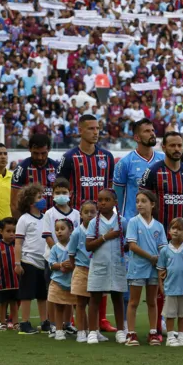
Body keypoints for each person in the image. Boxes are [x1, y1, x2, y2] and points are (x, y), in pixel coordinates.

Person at [138, 130, 183, 341]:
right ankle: (156, 329)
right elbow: (143, 201)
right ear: (164, 147)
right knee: (161, 283)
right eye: (172, 145)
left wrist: (182, 227)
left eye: (180, 145)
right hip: (160, 238)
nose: (177, 149)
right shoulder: (153, 172)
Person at [60, 115, 116, 332]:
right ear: (80, 130)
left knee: (101, 269)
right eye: (91, 128)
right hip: (79, 224)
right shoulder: (69, 158)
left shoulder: (107, 157)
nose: (96, 132)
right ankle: (75, 319)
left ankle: (101, 319)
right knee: (79, 270)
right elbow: (61, 188)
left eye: (98, 128)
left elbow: (110, 188)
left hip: (102, 223)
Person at [84, 187, 127, 345]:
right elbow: (88, 246)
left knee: (117, 297)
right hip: (99, 266)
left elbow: (127, 243)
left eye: (106, 200)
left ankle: (121, 331)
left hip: (117, 265)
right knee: (95, 298)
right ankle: (93, 331)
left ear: (115, 202)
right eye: (100, 200)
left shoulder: (122, 221)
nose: (102, 203)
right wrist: (105, 237)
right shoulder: (93, 223)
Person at [125, 189, 165, 346]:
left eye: (143, 201)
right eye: (137, 201)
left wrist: (162, 263)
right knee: (133, 301)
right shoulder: (133, 222)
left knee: (152, 301)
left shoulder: (159, 226)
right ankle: (131, 333)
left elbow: (163, 247)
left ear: (152, 204)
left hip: (153, 269)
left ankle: (153, 332)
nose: (139, 204)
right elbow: (132, 246)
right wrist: (151, 257)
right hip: (137, 268)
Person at [157, 217, 183, 347]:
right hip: (170, 286)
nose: (175, 231)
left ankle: (181, 336)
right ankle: (170, 337)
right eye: (173, 228)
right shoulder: (164, 250)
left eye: (179, 229)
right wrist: (161, 285)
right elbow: (161, 269)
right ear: (169, 231)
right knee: (170, 313)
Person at [14, 184, 49, 335]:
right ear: (30, 202)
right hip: (29, 261)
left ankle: (45, 322)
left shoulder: (46, 218)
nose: (43, 200)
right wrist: (17, 263)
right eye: (39, 197)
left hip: (43, 261)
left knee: (43, 294)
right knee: (27, 294)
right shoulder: (24, 219)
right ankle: (24, 323)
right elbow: (18, 242)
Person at [113, 118, 164, 221]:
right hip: (132, 222)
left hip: (158, 222)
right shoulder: (125, 163)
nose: (152, 134)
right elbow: (118, 197)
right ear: (137, 137)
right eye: (147, 131)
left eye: (153, 130)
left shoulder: (163, 160)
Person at [68, 201, 98, 343]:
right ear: (81, 214)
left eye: (93, 212)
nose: (90, 215)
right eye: (86, 212)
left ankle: (93, 331)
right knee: (80, 303)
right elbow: (71, 254)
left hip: (96, 270)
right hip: (81, 270)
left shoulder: (99, 232)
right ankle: (81, 331)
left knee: (94, 302)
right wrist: (76, 268)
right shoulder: (76, 233)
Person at [10, 133, 59, 214]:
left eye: (43, 153)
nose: (40, 157)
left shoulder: (57, 167)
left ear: (49, 149)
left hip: (54, 221)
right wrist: (22, 223)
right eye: (36, 153)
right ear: (29, 149)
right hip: (31, 221)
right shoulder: (21, 169)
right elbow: (14, 204)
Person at [46, 218, 76, 341]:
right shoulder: (54, 248)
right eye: (57, 229)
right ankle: (58, 330)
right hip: (57, 282)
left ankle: (81, 329)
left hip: (73, 282)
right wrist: (61, 265)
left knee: (76, 305)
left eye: (62, 229)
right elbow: (51, 264)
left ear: (71, 230)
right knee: (58, 306)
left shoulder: (74, 246)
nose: (59, 232)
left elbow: (78, 260)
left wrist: (71, 265)